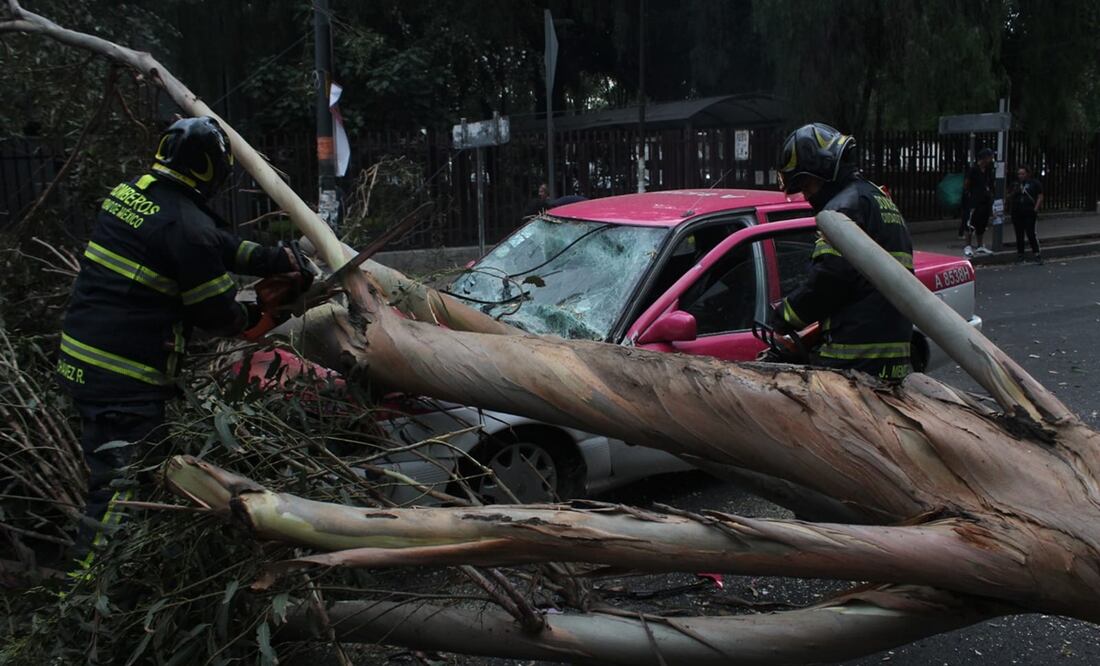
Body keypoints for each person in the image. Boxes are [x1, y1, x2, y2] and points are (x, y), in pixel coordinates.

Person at [56, 116, 305, 569]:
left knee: (123, 474)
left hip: (83, 362)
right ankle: (83, 593)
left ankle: (123, 573)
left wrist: (274, 259)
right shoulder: (185, 226)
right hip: (122, 378)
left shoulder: (132, 194)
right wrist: (266, 313)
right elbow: (218, 314)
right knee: (122, 486)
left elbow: (216, 244)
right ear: (212, 169)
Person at [773, 123, 914, 381]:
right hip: (892, 357)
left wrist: (786, 315)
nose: (806, 195)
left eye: (806, 184)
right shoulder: (877, 199)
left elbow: (831, 277)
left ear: (824, 170)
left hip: (855, 359)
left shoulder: (843, 209)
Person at [963, 148, 996, 257]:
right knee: (971, 223)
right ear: (984, 158)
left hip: (985, 200)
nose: (991, 159)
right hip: (975, 200)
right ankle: (967, 246)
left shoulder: (988, 170)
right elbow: (967, 183)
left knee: (982, 224)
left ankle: (980, 245)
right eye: (990, 157)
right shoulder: (973, 170)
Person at [1009, 165, 1044, 264]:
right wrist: (1014, 192)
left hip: (1029, 211)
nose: (1021, 176)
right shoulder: (1015, 184)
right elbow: (1008, 196)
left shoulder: (1035, 183)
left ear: (1028, 174)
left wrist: (1035, 209)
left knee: (1030, 233)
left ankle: (1037, 253)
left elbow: (1040, 196)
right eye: (1019, 174)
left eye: (1023, 174)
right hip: (1017, 212)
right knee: (1019, 234)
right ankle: (1020, 254)